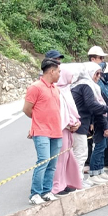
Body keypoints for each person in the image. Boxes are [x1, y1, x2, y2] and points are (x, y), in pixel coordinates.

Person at [23, 58, 63, 204]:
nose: (60, 74)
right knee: (43, 161)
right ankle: (35, 194)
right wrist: (38, 122)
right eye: (58, 71)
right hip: (41, 131)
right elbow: (27, 109)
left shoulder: (55, 88)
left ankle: (47, 191)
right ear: (51, 71)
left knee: (52, 164)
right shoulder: (35, 87)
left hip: (56, 131)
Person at [71, 62, 108, 185]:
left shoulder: (86, 86)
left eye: (99, 74)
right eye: (96, 73)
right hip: (79, 124)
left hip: (82, 123)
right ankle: (78, 181)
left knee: (82, 153)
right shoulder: (86, 85)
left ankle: (81, 179)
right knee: (81, 154)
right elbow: (92, 105)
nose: (98, 76)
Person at [52, 67, 82, 196]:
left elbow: (71, 111)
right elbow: (60, 112)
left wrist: (76, 121)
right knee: (60, 158)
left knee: (68, 157)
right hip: (62, 128)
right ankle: (57, 186)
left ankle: (66, 182)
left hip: (69, 128)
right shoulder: (56, 91)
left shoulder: (66, 90)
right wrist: (70, 122)